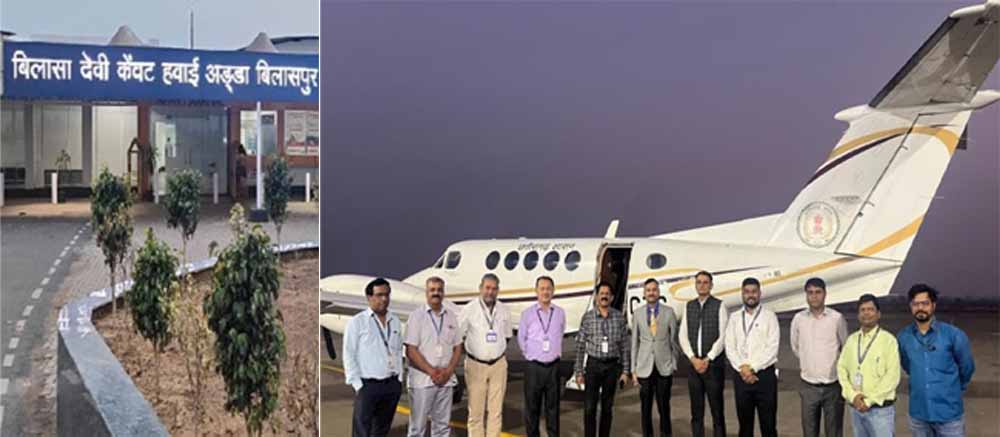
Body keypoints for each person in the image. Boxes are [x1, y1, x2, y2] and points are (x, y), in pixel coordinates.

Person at [898, 284, 975, 437]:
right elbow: (907, 365)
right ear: (911, 306)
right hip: (919, 414)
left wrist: (952, 390)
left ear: (933, 305)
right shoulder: (903, 337)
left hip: (949, 415)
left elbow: (967, 368)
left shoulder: (953, 335)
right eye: (916, 304)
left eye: (925, 303)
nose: (920, 308)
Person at [343, 278, 404, 437]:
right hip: (368, 386)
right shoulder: (357, 322)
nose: (384, 299)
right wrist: (358, 385)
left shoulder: (395, 321)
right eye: (379, 295)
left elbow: (398, 350)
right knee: (362, 431)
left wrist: (399, 378)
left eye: (387, 295)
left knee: (381, 430)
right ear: (369, 297)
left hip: (391, 385)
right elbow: (349, 354)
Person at [404, 277, 463, 437]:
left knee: (442, 427)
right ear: (426, 293)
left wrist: (448, 372)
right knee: (417, 428)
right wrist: (432, 372)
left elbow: (458, 347)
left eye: (439, 290)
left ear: (443, 293)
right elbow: (411, 350)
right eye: (432, 290)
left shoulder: (451, 316)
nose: (436, 293)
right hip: (423, 382)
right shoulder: (416, 316)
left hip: (446, 381)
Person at [790, 277, 848, 437]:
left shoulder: (837, 318)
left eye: (818, 292)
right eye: (810, 293)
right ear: (806, 295)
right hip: (808, 386)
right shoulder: (799, 319)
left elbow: (845, 347)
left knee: (834, 432)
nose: (814, 296)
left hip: (833, 386)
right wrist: (808, 362)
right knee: (809, 432)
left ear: (825, 294)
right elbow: (796, 347)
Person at [836, 294, 900, 437]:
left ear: (878, 314)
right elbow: (841, 369)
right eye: (863, 310)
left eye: (870, 309)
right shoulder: (852, 340)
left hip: (880, 412)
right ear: (858, 315)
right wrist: (852, 395)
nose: (866, 313)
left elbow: (892, 377)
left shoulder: (888, 341)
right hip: (856, 409)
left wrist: (869, 401)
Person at [459, 273, 514, 437]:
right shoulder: (469, 310)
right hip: (476, 365)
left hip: (498, 365)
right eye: (487, 288)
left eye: (494, 289)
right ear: (480, 288)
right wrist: (477, 352)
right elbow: (458, 336)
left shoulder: (504, 310)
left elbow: (507, 336)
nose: (490, 292)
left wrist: (494, 351)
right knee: (476, 413)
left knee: (496, 412)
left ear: (498, 290)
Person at [574, 281, 631, 437]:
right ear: (596, 297)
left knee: (607, 408)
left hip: (612, 367)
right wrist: (578, 371)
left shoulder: (619, 318)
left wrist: (625, 371)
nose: (604, 296)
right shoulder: (588, 317)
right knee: (589, 408)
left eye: (607, 294)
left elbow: (625, 346)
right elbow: (580, 346)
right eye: (601, 294)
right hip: (593, 365)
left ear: (611, 297)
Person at [724, 277, 780, 437]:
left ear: (760, 293)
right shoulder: (734, 318)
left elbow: (772, 348)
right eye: (747, 292)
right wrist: (742, 368)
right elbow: (730, 347)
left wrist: (752, 368)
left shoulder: (770, 316)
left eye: (754, 292)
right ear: (742, 294)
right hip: (741, 376)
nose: (751, 295)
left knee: (768, 426)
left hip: (764, 377)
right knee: (744, 426)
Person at [679, 271, 729, 437]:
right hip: (694, 367)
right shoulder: (689, 306)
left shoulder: (719, 305)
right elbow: (683, 335)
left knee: (717, 412)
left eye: (705, 282)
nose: (702, 285)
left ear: (711, 285)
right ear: (695, 285)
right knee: (696, 412)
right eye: (699, 282)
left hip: (713, 366)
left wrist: (708, 358)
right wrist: (693, 359)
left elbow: (723, 336)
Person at [517, 276, 567, 437]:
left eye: (548, 289)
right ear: (536, 291)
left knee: (553, 409)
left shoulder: (559, 313)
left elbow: (560, 333)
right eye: (542, 288)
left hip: (553, 367)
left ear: (553, 291)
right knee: (532, 409)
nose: (545, 292)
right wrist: (531, 355)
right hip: (534, 367)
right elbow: (521, 338)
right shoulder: (527, 314)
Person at [631, 278, 680, 437]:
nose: (651, 293)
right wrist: (633, 369)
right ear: (644, 294)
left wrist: (673, 364)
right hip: (644, 368)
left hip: (664, 367)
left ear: (658, 292)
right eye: (648, 290)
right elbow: (634, 343)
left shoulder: (669, 312)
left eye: (654, 290)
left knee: (664, 407)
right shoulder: (637, 314)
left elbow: (674, 341)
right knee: (645, 409)